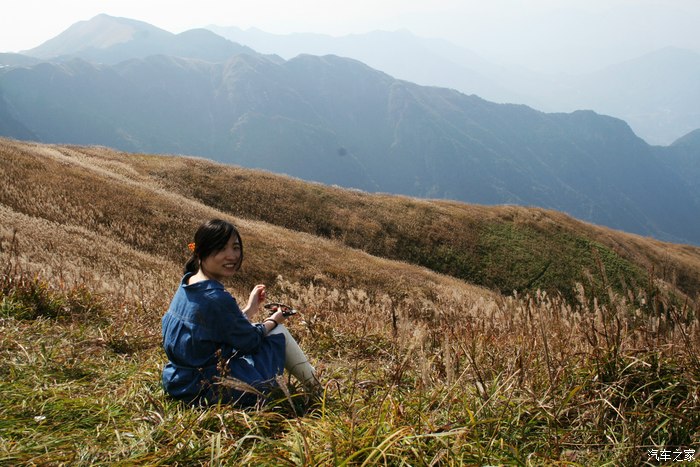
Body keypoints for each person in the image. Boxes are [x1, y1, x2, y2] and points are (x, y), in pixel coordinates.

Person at [161, 218, 319, 406]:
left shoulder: (188, 283)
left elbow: (217, 329)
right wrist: (274, 320)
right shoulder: (216, 297)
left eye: (235, 247)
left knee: (263, 329)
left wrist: (249, 310)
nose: (232, 255)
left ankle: (315, 387)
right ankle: (318, 391)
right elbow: (249, 341)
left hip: (178, 382)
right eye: (221, 248)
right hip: (208, 389)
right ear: (200, 251)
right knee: (278, 334)